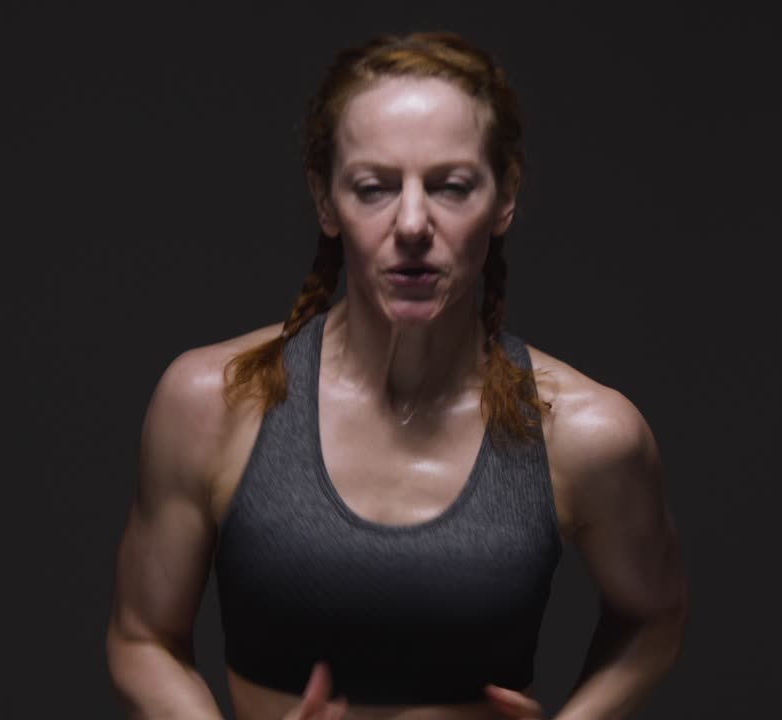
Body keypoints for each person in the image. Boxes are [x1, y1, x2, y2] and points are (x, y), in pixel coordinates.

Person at [106, 31, 687, 720]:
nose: (412, 223)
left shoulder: (586, 433)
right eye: (374, 188)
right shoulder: (215, 403)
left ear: (505, 196)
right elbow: (141, 637)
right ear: (326, 201)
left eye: (451, 187)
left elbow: (654, 617)